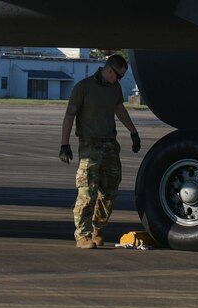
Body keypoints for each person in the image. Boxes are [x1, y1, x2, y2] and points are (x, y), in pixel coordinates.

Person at [58, 53, 141, 247]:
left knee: (110, 190)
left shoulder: (115, 88)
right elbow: (69, 116)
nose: (119, 80)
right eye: (118, 76)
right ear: (109, 69)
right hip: (90, 145)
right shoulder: (84, 87)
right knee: (87, 191)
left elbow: (119, 109)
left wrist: (133, 132)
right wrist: (65, 144)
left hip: (110, 145)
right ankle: (82, 235)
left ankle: (97, 229)